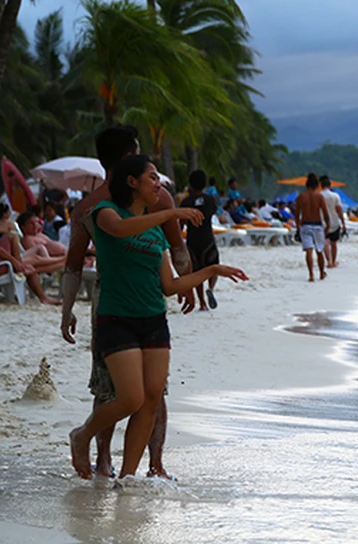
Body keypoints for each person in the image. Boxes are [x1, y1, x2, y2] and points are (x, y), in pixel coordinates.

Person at [68, 154, 248, 481]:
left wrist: (212, 270)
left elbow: (169, 285)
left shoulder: (156, 235)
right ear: (131, 182)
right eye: (151, 177)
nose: (158, 183)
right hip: (117, 317)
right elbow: (121, 230)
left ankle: (127, 478)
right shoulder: (105, 213)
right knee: (130, 397)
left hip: (153, 319)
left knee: (151, 399)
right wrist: (172, 212)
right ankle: (82, 435)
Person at [61, 125, 195, 480]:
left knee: (115, 388)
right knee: (141, 392)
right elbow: (179, 248)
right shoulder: (156, 202)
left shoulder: (83, 208)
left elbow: (72, 268)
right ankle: (155, 464)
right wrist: (188, 286)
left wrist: (67, 309)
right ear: (128, 160)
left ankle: (108, 463)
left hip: (109, 296)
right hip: (126, 302)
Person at [0, 204, 62, 305]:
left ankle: (62, 261)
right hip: (2, 264)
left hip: (6, 260)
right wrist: (15, 262)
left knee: (34, 260)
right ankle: (64, 260)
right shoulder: (9, 228)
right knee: (33, 260)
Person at [180, 170, 221, 311]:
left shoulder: (186, 202)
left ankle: (202, 303)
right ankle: (210, 288)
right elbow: (214, 212)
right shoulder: (210, 199)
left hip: (193, 240)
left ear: (190, 184)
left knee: (197, 272)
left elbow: (181, 222)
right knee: (213, 266)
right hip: (208, 239)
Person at [294, 173, 330, 281]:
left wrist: (297, 228)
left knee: (308, 251)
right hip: (317, 224)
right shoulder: (319, 197)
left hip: (305, 225)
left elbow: (296, 215)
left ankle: (311, 274)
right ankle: (321, 273)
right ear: (316, 186)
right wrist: (328, 225)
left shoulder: (301, 197)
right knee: (319, 251)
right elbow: (325, 213)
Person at [320, 176, 346, 268]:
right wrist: (343, 222)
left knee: (325, 243)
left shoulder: (319, 196)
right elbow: (339, 210)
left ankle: (329, 261)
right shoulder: (335, 196)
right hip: (334, 222)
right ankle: (334, 261)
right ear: (330, 185)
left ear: (321, 185)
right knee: (334, 243)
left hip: (322, 223)